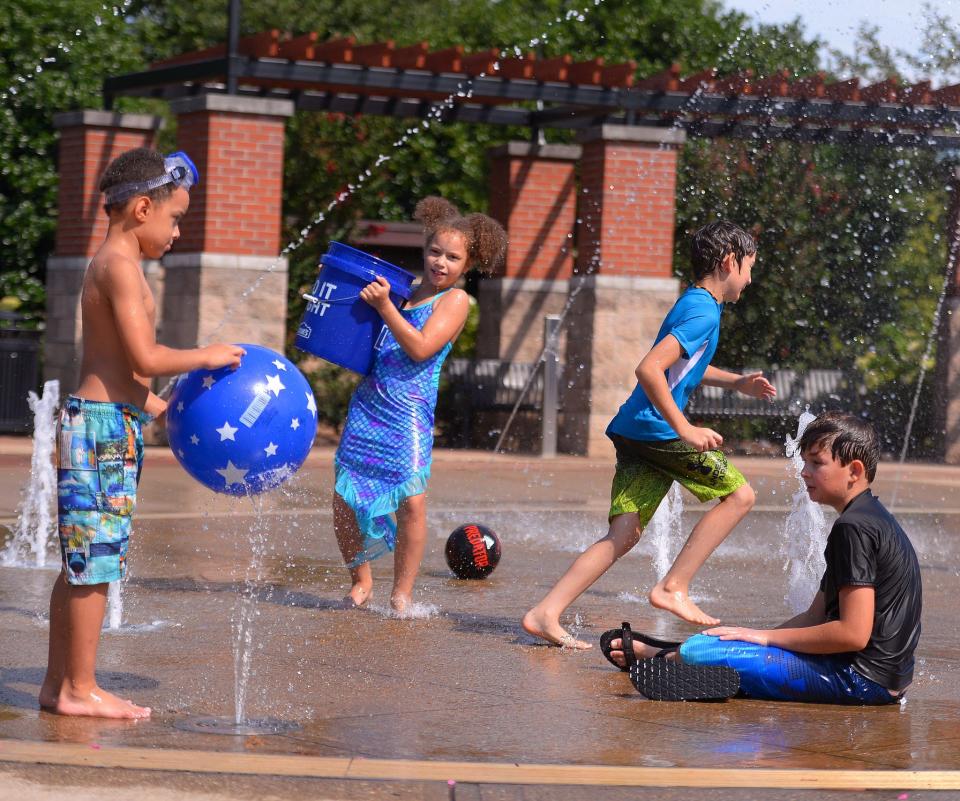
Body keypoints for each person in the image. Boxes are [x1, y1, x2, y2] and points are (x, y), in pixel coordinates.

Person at [39, 148, 245, 718]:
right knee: (94, 566)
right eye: (175, 218)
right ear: (142, 208)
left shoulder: (114, 263)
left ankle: (60, 685)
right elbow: (144, 355)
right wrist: (206, 356)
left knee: (83, 563)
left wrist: (159, 407)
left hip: (109, 423)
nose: (178, 232)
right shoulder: (119, 267)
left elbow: (121, 370)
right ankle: (80, 690)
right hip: (100, 431)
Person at [523, 221, 775, 647]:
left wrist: (737, 383)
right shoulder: (704, 310)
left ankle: (545, 612)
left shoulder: (696, 303)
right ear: (730, 261)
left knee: (624, 533)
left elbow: (683, 367)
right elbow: (649, 367)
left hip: (635, 429)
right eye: (749, 267)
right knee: (740, 496)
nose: (750, 279)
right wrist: (686, 428)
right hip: (658, 430)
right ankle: (673, 587)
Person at [604, 412, 922, 705]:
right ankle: (678, 654)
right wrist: (757, 641)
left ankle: (668, 658)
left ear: (854, 471)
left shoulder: (855, 528)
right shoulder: (868, 518)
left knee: (705, 648)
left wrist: (763, 637)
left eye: (816, 463)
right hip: (880, 679)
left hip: (859, 681)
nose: (804, 472)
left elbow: (853, 633)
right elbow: (816, 616)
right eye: (804, 462)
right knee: (732, 639)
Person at [333, 197, 506, 613]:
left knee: (411, 501)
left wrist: (385, 307)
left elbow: (422, 348)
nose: (440, 262)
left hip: (407, 412)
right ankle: (361, 580)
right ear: (424, 249)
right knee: (343, 498)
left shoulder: (455, 301)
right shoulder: (401, 290)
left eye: (452, 257)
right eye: (434, 251)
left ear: (467, 264)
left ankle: (402, 592)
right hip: (369, 405)